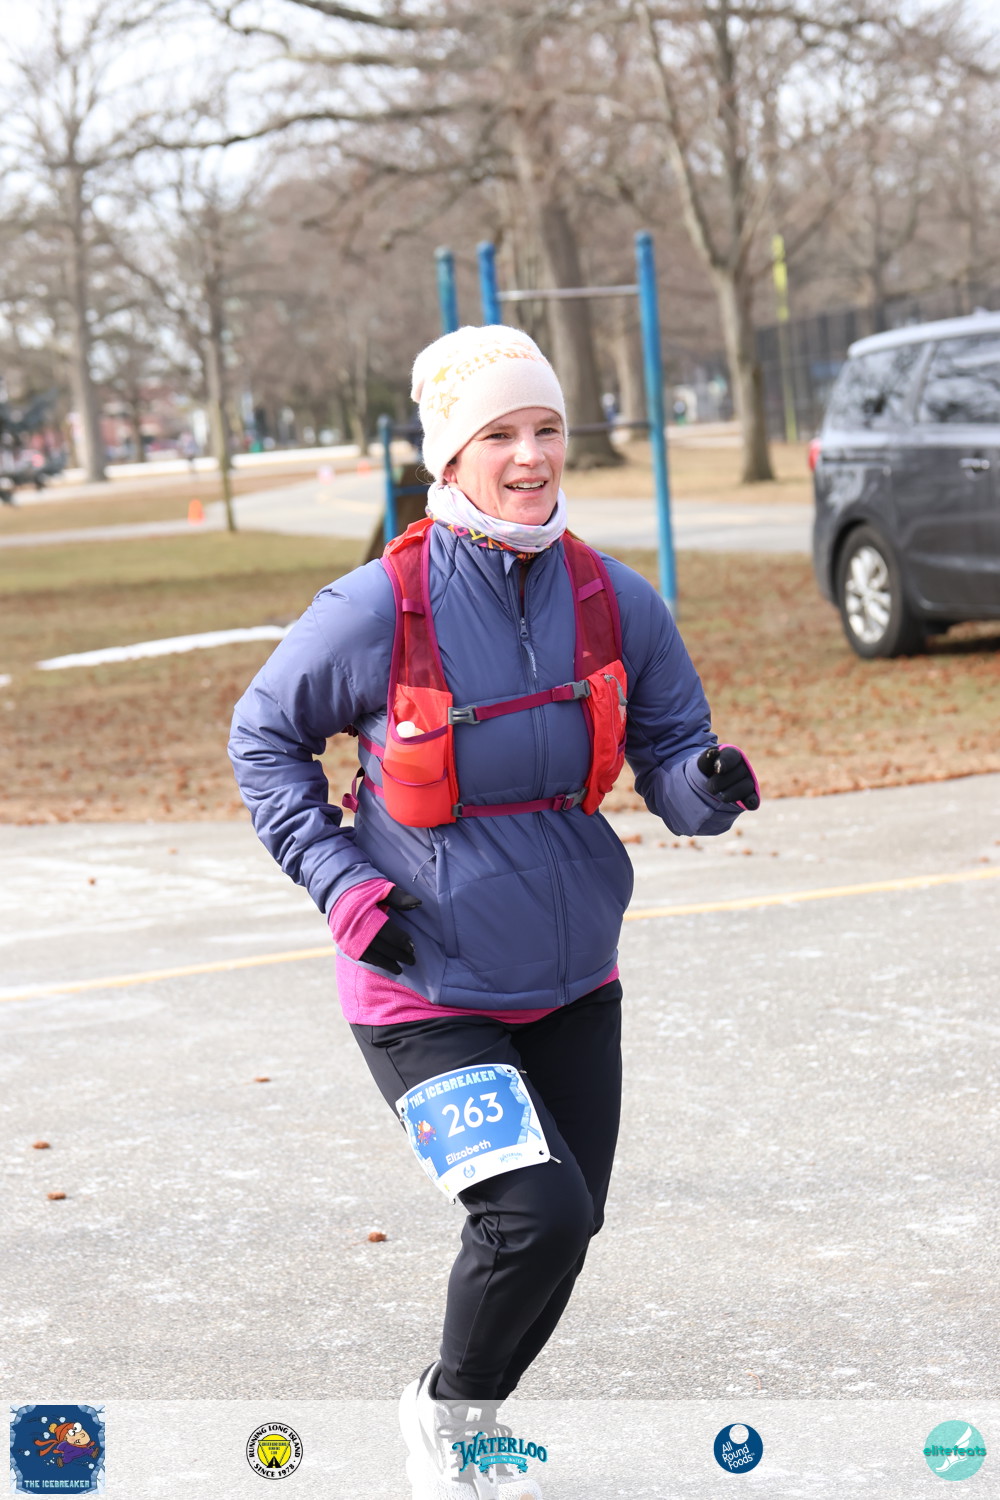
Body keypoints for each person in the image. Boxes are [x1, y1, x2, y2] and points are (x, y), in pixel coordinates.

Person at [228, 324, 759, 1500]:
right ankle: (445, 1420)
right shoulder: (379, 606)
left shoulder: (613, 599)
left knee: (573, 1221)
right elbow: (261, 740)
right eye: (500, 434)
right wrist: (344, 886)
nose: (531, 456)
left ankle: (459, 1419)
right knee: (535, 1215)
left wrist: (707, 783)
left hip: (572, 975)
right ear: (450, 458)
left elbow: (673, 757)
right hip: (420, 983)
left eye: (546, 429)